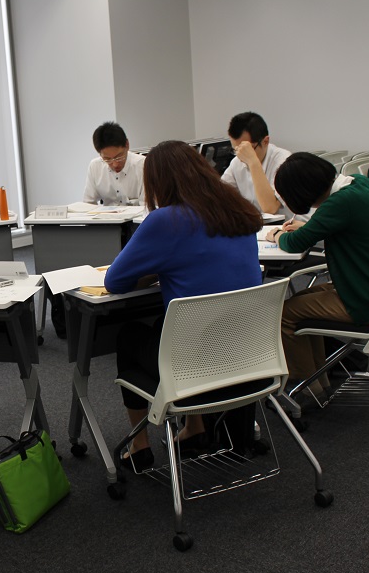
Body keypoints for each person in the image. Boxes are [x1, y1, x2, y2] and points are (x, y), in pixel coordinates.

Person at [104, 141, 263, 469]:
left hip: (197, 368)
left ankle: (139, 446)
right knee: (165, 325)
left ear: (157, 182)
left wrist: (156, 271)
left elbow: (114, 281)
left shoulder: (165, 221)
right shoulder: (239, 209)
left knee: (129, 336)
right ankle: (194, 428)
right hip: (252, 357)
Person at [268, 152, 369, 401]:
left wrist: (277, 235)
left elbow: (295, 243)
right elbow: (338, 224)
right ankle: (318, 382)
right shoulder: (358, 183)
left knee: (285, 315)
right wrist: (309, 227)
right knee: (299, 303)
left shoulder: (340, 203)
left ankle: (307, 390)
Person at [221, 111, 292, 216]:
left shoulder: (284, 160)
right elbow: (220, 196)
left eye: (247, 149)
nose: (241, 156)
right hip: (259, 223)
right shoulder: (236, 162)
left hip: (290, 224)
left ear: (265, 141)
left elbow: (270, 208)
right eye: (236, 149)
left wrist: (253, 162)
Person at [83, 121, 146, 205]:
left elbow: (148, 206)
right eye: (107, 159)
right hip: (107, 213)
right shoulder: (95, 166)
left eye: (119, 157)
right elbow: (88, 204)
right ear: (100, 154)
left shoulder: (143, 165)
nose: (115, 164)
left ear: (127, 145)